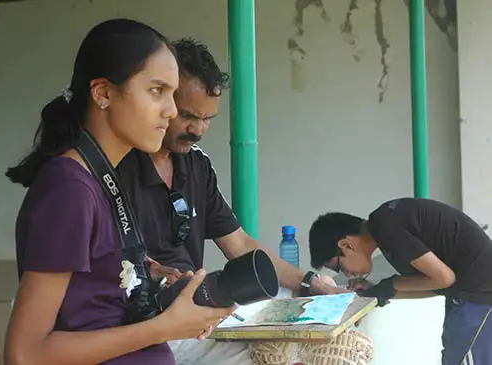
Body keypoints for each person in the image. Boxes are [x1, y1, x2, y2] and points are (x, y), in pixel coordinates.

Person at [3, 19, 234, 365]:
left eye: (172, 95)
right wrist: (165, 327)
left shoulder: (101, 177)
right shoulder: (70, 187)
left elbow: (95, 301)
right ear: (104, 94)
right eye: (157, 91)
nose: (170, 111)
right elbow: (25, 355)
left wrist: (155, 279)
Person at [116, 38, 344, 365]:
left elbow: (239, 243)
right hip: (156, 321)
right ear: (162, 100)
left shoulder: (195, 165)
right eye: (189, 116)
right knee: (281, 357)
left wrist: (311, 282)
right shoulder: (116, 167)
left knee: (300, 308)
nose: (198, 129)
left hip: (202, 304)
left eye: (207, 119)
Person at [308, 197, 492, 365]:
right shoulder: (385, 230)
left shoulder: (385, 225)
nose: (346, 274)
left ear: (346, 245)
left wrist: (390, 285)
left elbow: (444, 278)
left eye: (338, 267)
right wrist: (377, 292)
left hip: (479, 293)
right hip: (467, 294)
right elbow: (436, 285)